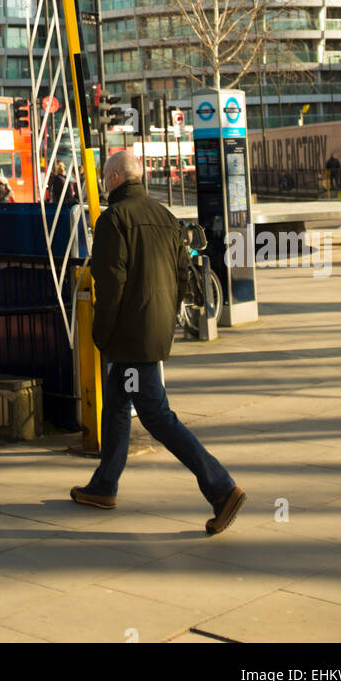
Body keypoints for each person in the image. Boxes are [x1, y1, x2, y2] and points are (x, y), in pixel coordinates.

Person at [70, 150, 245, 535]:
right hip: (153, 331)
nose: (102, 180)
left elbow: (110, 284)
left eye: (104, 175)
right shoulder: (166, 217)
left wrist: (102, 332)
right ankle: (104, 486)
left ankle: (222, 488)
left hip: (130, 337)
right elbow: (184, 277)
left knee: (157, 416)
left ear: (115, 177)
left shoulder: (114, 219)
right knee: (117, 404)